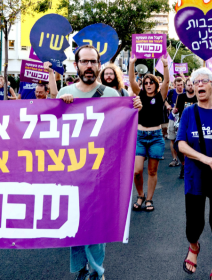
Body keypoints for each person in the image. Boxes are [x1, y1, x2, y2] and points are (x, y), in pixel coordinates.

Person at [57, 44, 143, 280]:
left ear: (99, 65)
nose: (89, 66)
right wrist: (58, 107)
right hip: (72, 171)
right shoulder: (64, 92)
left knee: (98, 223)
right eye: (84, 61)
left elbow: (120, 130)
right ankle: (81, 269)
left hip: (101, 172)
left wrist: (134, 108)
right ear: (76, 65)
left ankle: (96, 271)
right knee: (75, 222)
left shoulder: (111, 95)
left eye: (93, 62)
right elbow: (51, 132)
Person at [176, 67, 212, 280]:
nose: (199, 85)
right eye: (195, 82)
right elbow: (181, 144)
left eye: (204, 81)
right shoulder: (189, 112)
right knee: (194, 224)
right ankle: (194, 246)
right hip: (195, 176)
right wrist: (205, 159)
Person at [130, 54, 169, 212]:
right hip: (139, 137)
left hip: (156, 138)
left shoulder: (160, 96)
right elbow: (132, 81)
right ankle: (140, 195)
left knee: (152, 171)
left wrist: (165, 66)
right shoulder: (139, 95)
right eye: (145, 83)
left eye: (151, 82)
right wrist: (132, 63)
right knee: (137, 171)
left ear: (155, 84)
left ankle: (149, 199)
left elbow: (166, 81)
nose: (148, 85)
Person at [173, 78, 197, 179]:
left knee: (193, 147)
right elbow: (176, 109)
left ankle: (193, 168)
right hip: (183, 124)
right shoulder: (181, 96)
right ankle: (183, 164)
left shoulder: (197, 96)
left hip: (195, 125)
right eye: (188, 85)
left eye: (192, 85)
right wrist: (174, 111)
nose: (190, 87)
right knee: (178, 146)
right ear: (185, 86)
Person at [166, 77, 185, 167]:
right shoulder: (171, 92)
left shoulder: (186, 92)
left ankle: (184, 160)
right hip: (172, 118)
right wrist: (168, 105)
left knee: (184, 139)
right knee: (172, 138)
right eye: (178, 85)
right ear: (174, 85)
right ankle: (174, 159)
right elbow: (164, 100)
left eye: (181, 84)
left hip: (183, 118)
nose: (180, 87)